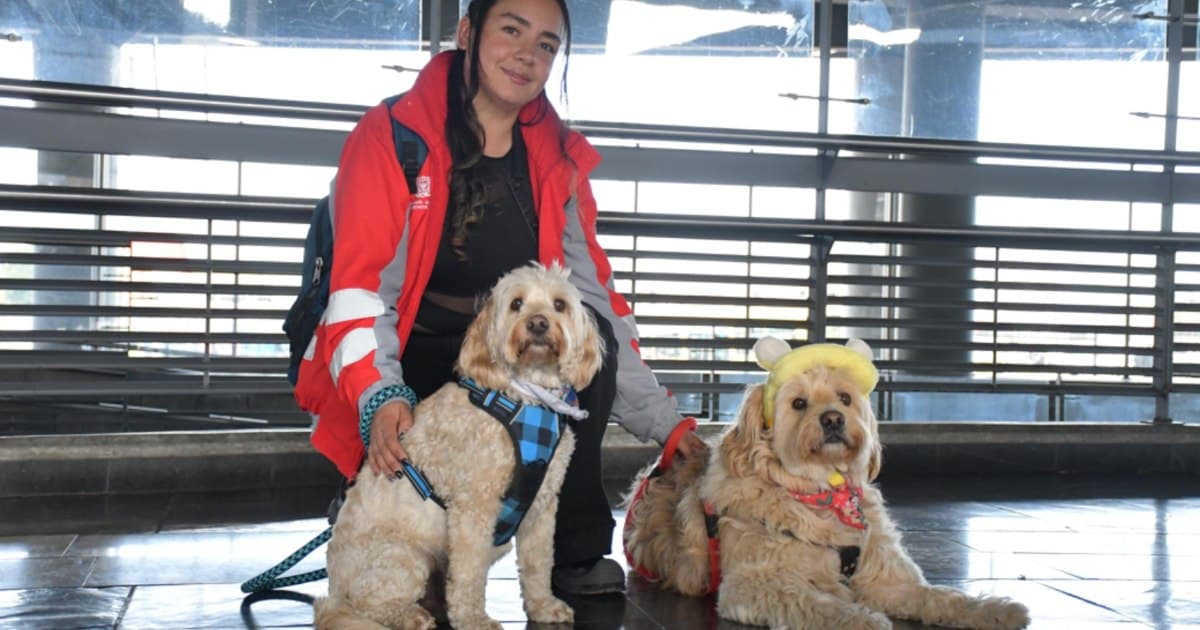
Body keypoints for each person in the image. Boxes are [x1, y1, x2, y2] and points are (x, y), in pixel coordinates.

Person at [294, 0, 707, 596]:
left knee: (587, 337)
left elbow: (598, 301)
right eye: (510, 30)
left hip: (509, 350)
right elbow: (359, 291)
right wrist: (379, 394)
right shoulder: (390, 137)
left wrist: (665, 423)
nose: (527, 54)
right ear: (467, 32)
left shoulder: (556, 158)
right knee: (406, 489)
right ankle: (376, 500)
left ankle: (573, 551)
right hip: (409, 348)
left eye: (545, 44)